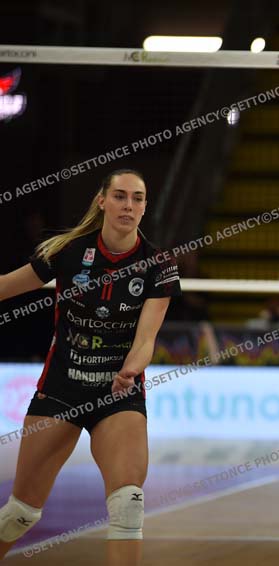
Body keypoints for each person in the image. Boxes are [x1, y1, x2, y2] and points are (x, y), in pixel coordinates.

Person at [0, 169, 180, 565]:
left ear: (145, 207)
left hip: (118, 395)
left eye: (137, 198)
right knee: (20, 514)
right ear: (102, 201)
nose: (128, 205)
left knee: (128, 504)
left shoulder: (158, 264)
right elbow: (6, 286)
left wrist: (130, 370)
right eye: (119, 196)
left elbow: (146, 339)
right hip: (61, 390)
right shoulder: (67, 251)